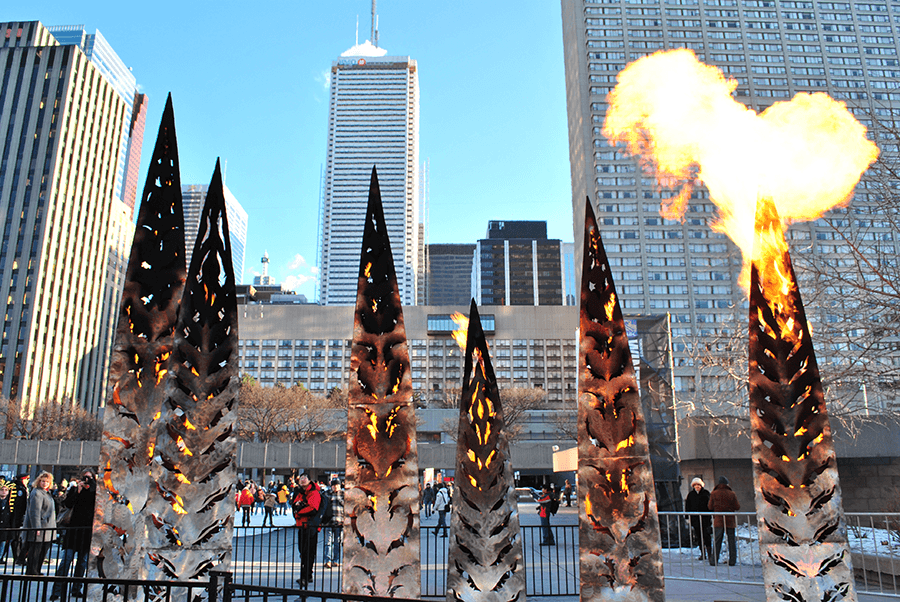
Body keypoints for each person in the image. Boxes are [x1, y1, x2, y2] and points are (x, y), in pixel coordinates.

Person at [50, 470, 96, 600]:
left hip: (86, 532)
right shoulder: (76, 489)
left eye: (89, 477)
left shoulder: (95, 491)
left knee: (82, 563)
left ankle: (76, 589)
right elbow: (67, 504)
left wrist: (91, 487)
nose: (86, 480)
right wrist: (78, 491)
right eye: (84, 477)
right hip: (73, 531)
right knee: (66, 561)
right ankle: (56, 591)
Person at [291, 473, 321, 589]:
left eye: (305, 479)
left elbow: (313, 509)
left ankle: (306, 576)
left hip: (310, 526)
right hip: (302, 526)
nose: (302, 481)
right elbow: (294, 505)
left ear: (310, 480)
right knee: (303, 552)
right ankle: (307, 575)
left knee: (308, 552)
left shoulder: (314, 492)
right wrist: (299, 507)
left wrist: (300, 510)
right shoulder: (299, 493)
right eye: (301, 479)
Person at [23, 471, 56, 575]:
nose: (44, 483)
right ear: (38, 481)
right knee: (36, 551)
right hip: (41, 526)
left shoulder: (46, 493)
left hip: (47, 526)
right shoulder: (37, 493)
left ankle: (36, 570)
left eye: (47, 481)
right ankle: (32, 571)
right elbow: (35, 512)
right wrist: (36, 527)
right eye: (42, 481)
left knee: (43, 550)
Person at [708, 476, 740, 566]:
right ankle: (732, 560)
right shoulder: (731, 493)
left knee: (717, 540)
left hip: (718, 519)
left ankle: (714, 560)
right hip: (730, 519)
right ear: (726, 484)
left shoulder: (714, 493)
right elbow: (737, 506)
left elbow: (710, 506)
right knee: (731, 540)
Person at [685, 477, 712, 561]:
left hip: (705, 519)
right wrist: (687, 515)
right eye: (695, 485)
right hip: (695, 519)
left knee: (706, 536)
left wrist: (711, 513)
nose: (697, 486)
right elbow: (688, 505)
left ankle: (709, 554)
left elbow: (710, 504)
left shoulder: (706, 493)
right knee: (699, 536)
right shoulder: (691, 495)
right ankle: (703, 553)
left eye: (698, 485)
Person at [323, 479, 344, 568]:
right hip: (328, 521)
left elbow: (347, 506)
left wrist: (339, 500)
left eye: (337, 485)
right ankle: (327, 560)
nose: (335, 487)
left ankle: (336, 560)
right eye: (333, 485)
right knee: (327, 542)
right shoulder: (326, 494)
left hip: (339, 521)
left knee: (337, 542)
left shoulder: (343, 494)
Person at [9, 474, 28, 565]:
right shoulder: (20, 489)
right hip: (17, 518)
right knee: (16, 538)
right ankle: (18, 557)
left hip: (15, 518)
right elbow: (20, 506)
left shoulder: (16, 488)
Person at [0, 485, 12, 564]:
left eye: (6, 490)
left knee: (3, 543)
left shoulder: (10, 502)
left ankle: (1, 556)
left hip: (5, 526)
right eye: (2, 490)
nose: (4, 492)